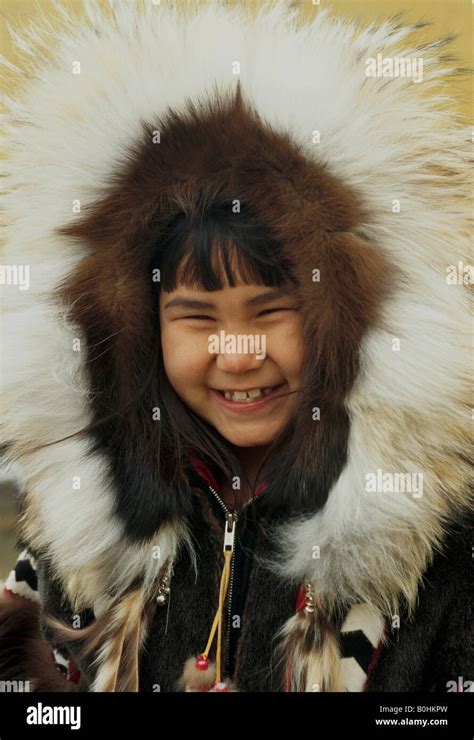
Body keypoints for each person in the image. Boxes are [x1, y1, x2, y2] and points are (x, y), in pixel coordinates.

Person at [0, 1, 472, 693]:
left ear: (344, 325)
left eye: (271, 311)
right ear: (133, 333)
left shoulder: (447, 550)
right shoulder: (74, 544)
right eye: (197, 318)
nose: (240, 353)